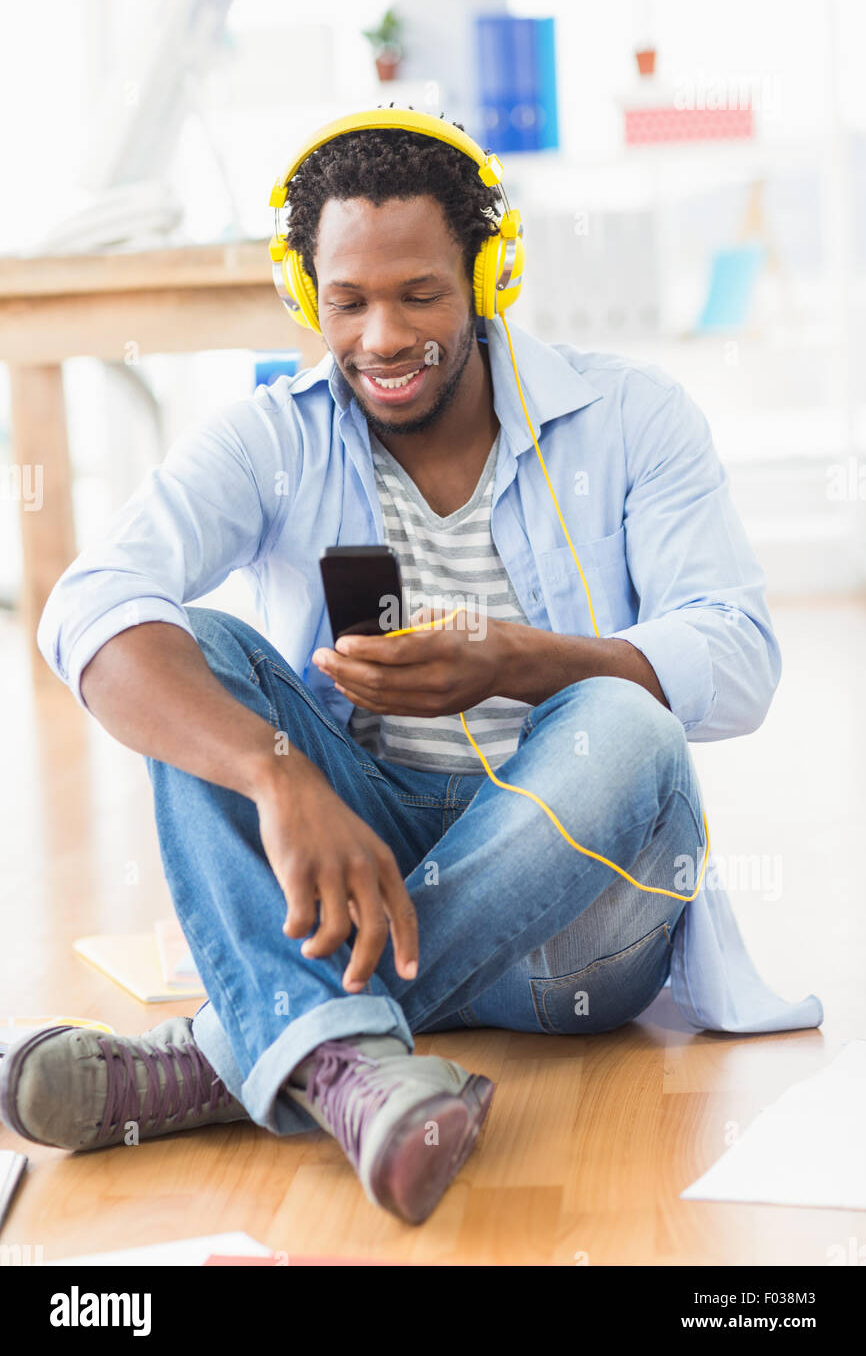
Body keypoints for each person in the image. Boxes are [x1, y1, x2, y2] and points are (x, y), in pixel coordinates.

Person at [1, 115, 822, 1227]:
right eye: (349, 302)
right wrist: (277, 775)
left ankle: (244, 1046)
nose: (381, 335)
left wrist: (518, 661)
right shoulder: (272, 436)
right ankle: (345, 1060)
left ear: (486, 276)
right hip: (357, 871)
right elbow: (89, 606)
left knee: (626, 721)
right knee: (198, 645)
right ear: (309, 298)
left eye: (419, 295)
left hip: (572, 933)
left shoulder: (632, 417)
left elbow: (738, 655)